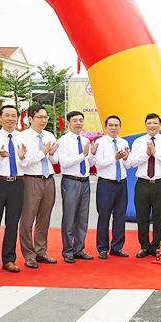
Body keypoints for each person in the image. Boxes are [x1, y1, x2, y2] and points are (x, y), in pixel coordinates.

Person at [0, 104, 28, 274]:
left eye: (13, 115)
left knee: (12, 223)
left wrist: (22, 158)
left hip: (17, 183)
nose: (10, 118)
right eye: (7, 115)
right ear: (0, 117)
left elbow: (27, 162)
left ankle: (9, 259)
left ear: (17, 118)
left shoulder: (22, 137)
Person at [129, 112, 161, 257]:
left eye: (155, 123)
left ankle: (156, 246)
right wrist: (146, 154)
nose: (152, 126)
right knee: (142, 216)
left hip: (160, 183)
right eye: (149, 123)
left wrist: (155, 153)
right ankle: (144, 246)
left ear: (160, 125)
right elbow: (132, 162)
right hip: (142, 183)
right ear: (145, 125)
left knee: (158, 216)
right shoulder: (138, 142)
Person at [18, 105, 59, 269]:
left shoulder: (49, 135)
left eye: (45, 117)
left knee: (44, 218)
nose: (43, 120)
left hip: (49, 179)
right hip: (31, 180)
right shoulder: (23, 137)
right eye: (39, 117)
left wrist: (51, 154)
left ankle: (41, 251)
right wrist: (42, 152)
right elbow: (25, 162)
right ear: (30, 119)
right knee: (27, 219)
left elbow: (55, 161)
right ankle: (29, 255)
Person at [56, 110, 95, 264]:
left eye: (80, 120)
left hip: (85, 181)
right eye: (75, 120)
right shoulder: (63, 141)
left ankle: (79, 249)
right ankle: (67, 250)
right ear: (68, 123)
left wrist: (92, 154)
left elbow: (90, 163)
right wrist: (82, 155)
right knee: (70, 217)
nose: (78, 123)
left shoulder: (85, 140)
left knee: (83, 218)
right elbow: (64, 163)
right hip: (71, 181)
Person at [93, 115, 130, 262]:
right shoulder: (100, 143)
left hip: (121, 183)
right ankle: (102, 248)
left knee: (120, 217)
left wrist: (125, 158)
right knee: (104, 217)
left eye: (116, 125)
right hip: (106, 184)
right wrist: (114, 158)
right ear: (105, 127)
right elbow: (98, 164)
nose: (114, 128)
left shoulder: (123, 142)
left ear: (120, 127)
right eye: (111, 125)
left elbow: (128, 165)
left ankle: (117, 247)